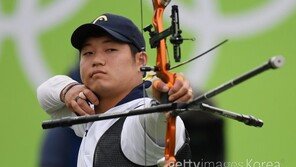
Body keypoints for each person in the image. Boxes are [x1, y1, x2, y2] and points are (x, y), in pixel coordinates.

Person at [37, 13, 193, 167]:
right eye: (88, 53)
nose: (97, 60)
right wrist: (69, 90)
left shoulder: (139, 119)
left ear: (141, 60)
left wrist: (164, 104)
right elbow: (44, 93)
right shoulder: (87, 111)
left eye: (110, 50)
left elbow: (156, 123)